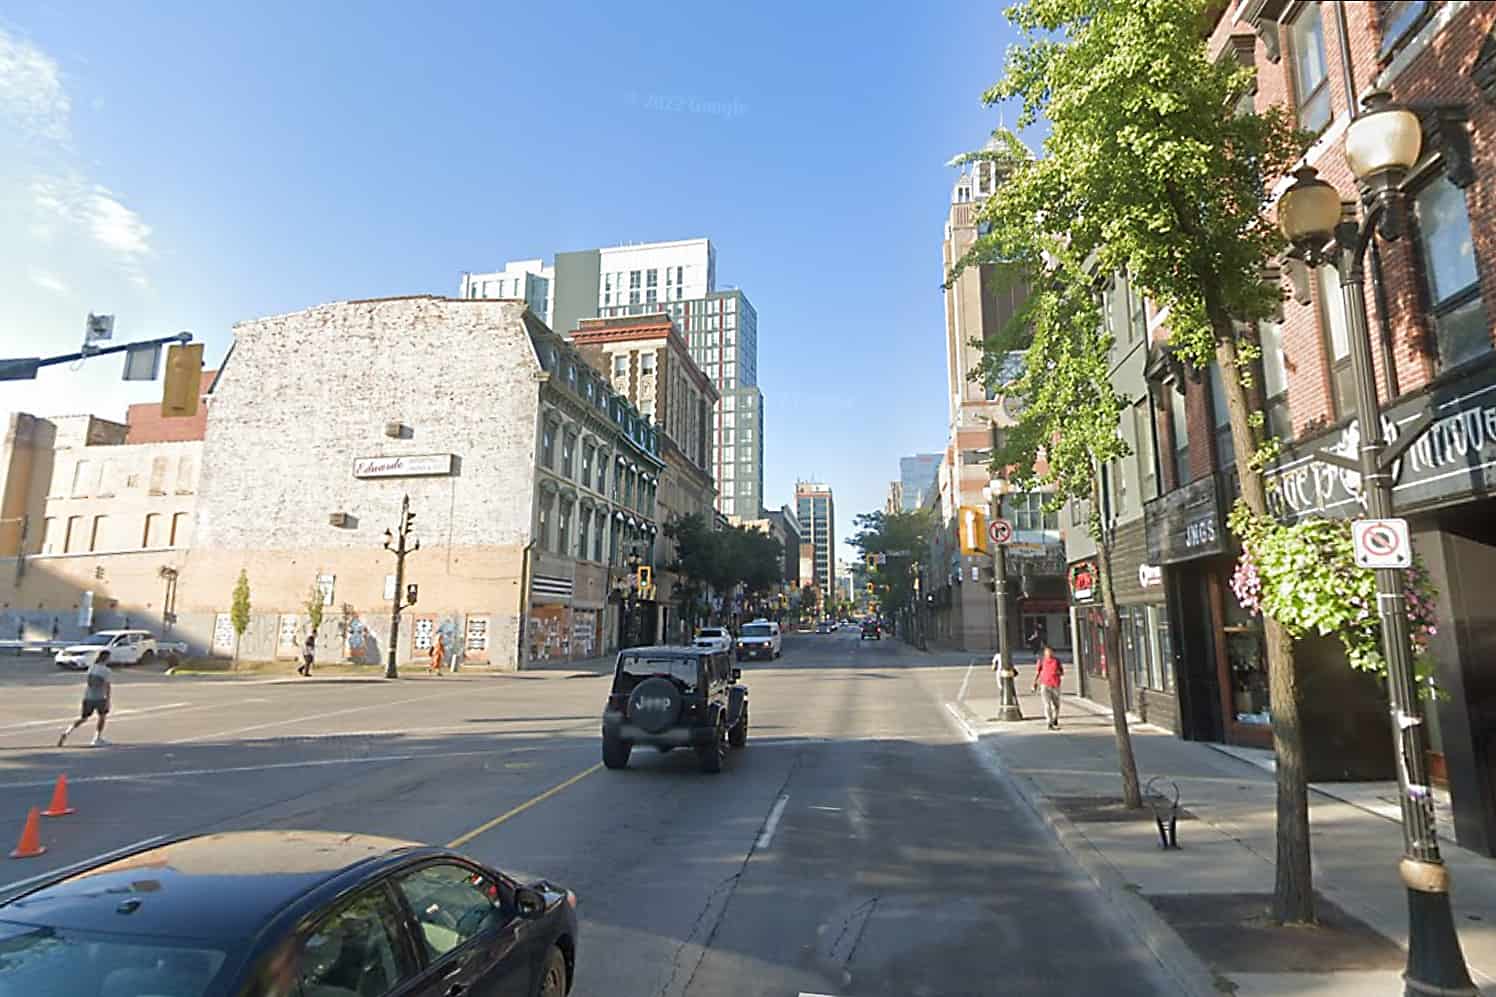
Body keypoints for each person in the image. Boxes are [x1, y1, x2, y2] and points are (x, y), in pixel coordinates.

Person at [59, 650, 112, 747]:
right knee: (102, 717)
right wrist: (108, 700)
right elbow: (107, 686)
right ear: (106, 658)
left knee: (83, 718)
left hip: (88, 696)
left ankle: (67, 732)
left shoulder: (92, 668)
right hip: (100, 697)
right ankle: (97, 738)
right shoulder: (106, 671)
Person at [1032, 643, 1064, 730]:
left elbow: (1062, 672)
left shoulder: (1057, 661)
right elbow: (1038, 672)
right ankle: (1049, 722)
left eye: (1051, 651)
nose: (1049, 653)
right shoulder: (1041, 660)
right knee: (1047, 704)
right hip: (1045, 685)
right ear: (1045, 653)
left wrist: (1058, 673)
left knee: (1056, 705)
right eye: (1047, 651)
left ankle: (1055, 718)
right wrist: (1034, 683)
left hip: (1055, 685)